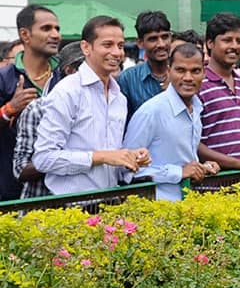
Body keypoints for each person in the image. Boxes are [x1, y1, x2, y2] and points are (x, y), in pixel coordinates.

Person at [33, 16, 151, 195]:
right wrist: (102, 156)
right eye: (107, 45)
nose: (117, 53)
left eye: (120, 46)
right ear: (86, 47)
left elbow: (111, 161)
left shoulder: (118, 97)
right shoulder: (67, 91)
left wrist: (130, 158)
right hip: (71, 208)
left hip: (109, 203)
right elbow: (44, 158)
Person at [123, 42, 220, 201]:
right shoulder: (151, 112)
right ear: (169, 71)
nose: (188, 78)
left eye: (195, 71)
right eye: (180, 70)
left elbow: (184, 162)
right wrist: (178, 172)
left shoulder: (197, 109)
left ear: (204, 73)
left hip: (187, 207)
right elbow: (126, 169)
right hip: (155, 210)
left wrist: (202, 167)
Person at [0, 4, 62, 201]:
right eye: (46, 28)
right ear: (25, 35)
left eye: (57, 29)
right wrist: (10, 109)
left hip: (61, 191)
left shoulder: (65, 79)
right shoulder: (4, 78)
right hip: (10, 190)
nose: (56, 35)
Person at [13, 41, 85, 199]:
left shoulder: (112, 104)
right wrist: (77, 159)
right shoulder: (39, 110)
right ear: (70, 71)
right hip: (43, 211)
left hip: (89, 210)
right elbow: (21, 169)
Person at [196, 13, 240, 173]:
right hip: (213, 186)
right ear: (210, 43)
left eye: (239, 41)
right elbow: (192, 143)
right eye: (227, 40)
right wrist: (239, 164)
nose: (234, 46)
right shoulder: (199, 84)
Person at [117, 10, 173, 121]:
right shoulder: (128, 79)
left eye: (165, 37)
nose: (161, 44)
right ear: (140, 43)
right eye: (153, 39)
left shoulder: (184, 74)